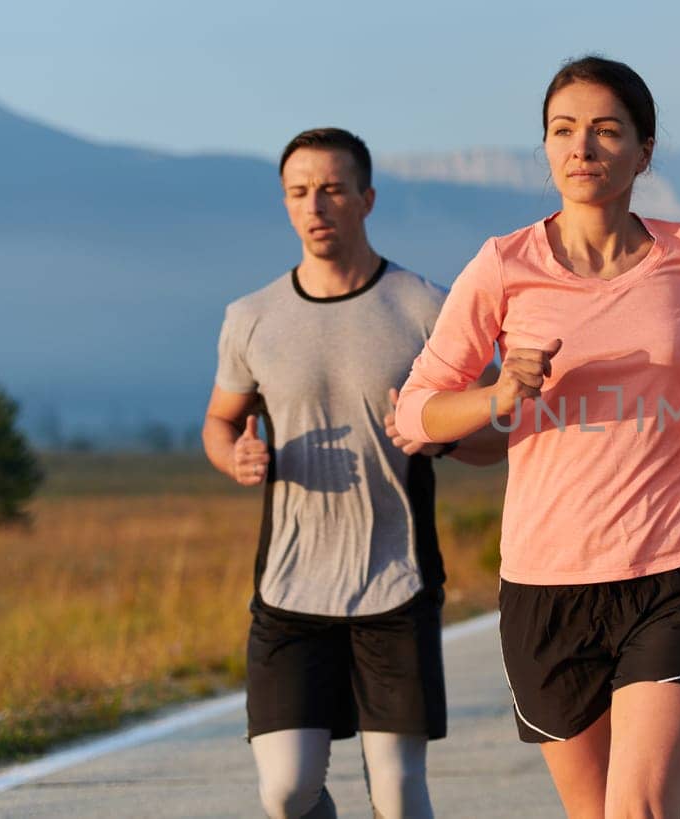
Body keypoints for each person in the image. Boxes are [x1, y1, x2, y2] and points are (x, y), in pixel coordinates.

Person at [393, 56, 680, 819]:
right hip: (546, 585)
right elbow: (415, 411)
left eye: (605, 130)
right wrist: (497, 394)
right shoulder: (503, 265)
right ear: (547, 148)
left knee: (640, 809)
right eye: (563, 130)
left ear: (643, 152)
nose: (581, 147)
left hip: (674, 568)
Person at [201, 127, 503, 819]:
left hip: (395, 584)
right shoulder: (250, 319)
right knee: (287, 790)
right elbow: (218, 424)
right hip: (290, 588)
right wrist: (235, 455)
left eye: (333, 189)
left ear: (366, 199)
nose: (317, 206)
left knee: (399, 792)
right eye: (300, 192)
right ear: (284, 203)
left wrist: (438, 437)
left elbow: (499, 432)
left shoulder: (426, 308)